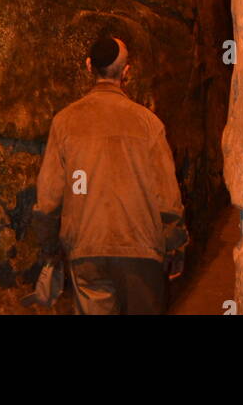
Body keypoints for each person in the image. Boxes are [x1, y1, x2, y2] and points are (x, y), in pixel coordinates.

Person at [31, 35, 188, 315]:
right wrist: (175, 244)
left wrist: (49, 245)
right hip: (142, 250)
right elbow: (167, 197)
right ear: (126, 72)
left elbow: (48, 198)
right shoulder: (149, 124)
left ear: (89, 66)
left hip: (86, 249)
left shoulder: (65, 122)